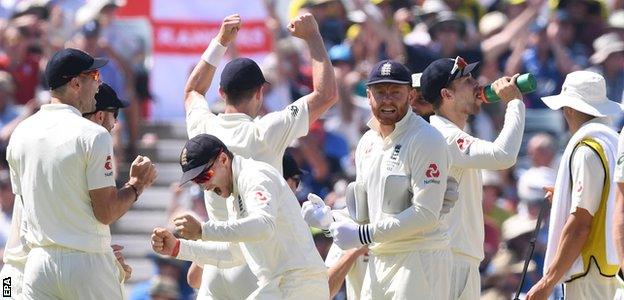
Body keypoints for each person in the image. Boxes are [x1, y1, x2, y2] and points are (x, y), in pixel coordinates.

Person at [180, 13, 336, 299]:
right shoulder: (266, 131)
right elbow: (326, 94)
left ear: (222, 92)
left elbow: (192, 90)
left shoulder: (202, 128)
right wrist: (313, 36)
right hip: (257, 265)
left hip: (217, 263)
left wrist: (221, 41)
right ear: (260, 93)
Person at [5, 48, 157, 299]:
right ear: (76, 83)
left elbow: (25, 212)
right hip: (84, 263)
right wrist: (136, 185)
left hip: (37, 266)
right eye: (95, 75)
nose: (99, 83)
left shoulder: (20, 133)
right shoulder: (93, 135)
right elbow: (105, 212)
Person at [322, 59, 453, 299]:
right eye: (380, 92)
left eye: (396, 92)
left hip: (420, 258)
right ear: (369, 95)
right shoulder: (367, 142)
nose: (387, 100)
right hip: (379, 258)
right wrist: (329, 219)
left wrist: (363, 236)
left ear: (411, 96)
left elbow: (426, 214)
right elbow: (366, 210)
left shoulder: (426, 139)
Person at [151, 134, 329, 299]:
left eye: (205, 175)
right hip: (281, 284)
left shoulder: (254, 176)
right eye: (197, 181)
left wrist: (202, 230)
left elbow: (264, 225)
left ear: (223, 159)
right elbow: (233, 254)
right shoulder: (233, 195)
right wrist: (178, 248)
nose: (204, 186)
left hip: (299, 282)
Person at [420, 56, 526, 299]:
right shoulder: (443, 135)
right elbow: (503, 156)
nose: (477, 85)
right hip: (448, 259)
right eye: (467, 81)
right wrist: (514, 103)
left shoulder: (448, 133)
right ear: (447, 95)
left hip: (456, 257)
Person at [527, 71, 622, 299]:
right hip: (612, 269)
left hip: (590, 271)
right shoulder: (614, 143)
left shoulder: (587, 150)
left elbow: (580, 225)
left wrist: (547, 282)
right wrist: (564, 196)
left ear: (569, 109)